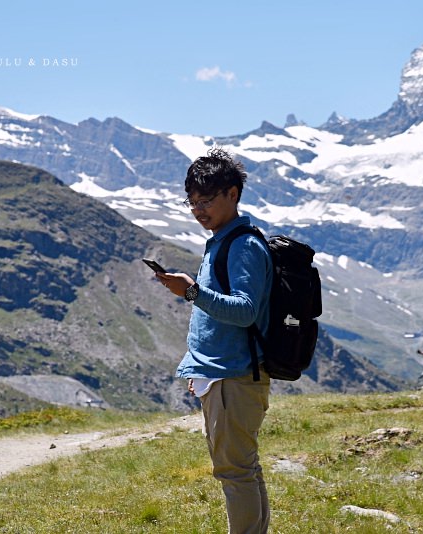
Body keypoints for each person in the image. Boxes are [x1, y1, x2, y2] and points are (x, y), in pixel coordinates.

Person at [154, 147, 273, 534]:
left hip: (236, 376)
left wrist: (191, 291)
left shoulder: (244, 245)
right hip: (222, 374)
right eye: (191, 202)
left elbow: (245, 310)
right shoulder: (221, 241)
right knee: (242, 468)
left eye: (205, 200)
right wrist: (198, 366)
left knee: (234, 471)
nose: (198, 210)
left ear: (232, 194)